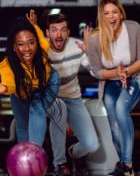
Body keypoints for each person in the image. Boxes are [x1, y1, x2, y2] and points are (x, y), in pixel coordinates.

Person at [85, 0, 140, 176]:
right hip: (110, 83)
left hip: (135, 78)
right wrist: (115, 74)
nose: (111, 16)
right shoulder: (95, 39)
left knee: (122, 109)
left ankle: (126, 164)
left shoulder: (134, 28)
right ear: (101, 16)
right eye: (106, 13)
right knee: (113, 124)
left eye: (114, 12)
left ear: (121, 13)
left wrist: (125, 72)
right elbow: (96, 71)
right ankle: (125, 165)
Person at [0, 11, 60, 146]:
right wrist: (4, 87)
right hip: (19, 91)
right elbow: (9, 81)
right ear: (14, 47)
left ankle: (35, 151)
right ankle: (24, 156)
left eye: (31, 42)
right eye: (21, 44)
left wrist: (34, 26)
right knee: (22, 125)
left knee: (36, 110)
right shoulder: (7, 64)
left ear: (36, 43)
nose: (27, 49)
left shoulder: (42, 49)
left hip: (43, 87)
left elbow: (41, 38)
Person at [42, 13, 99, 176]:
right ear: (47, 33)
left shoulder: (77, 45)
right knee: (58, 107)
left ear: (67, 32)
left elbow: (96, 73)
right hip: (50, 98)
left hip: (73, 98)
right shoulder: (41, 49)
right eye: (54, 30)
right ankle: (59, 163)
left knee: (91, 145)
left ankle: (72, 153)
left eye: (62, 30)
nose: (58, 34)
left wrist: (90, 52)